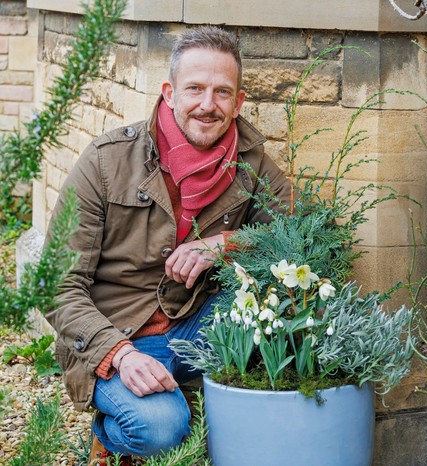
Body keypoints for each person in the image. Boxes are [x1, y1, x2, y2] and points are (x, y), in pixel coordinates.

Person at [45, 26, 290, 465]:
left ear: (239, 101)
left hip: (198, 323)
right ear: (170, 92)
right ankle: (114, 434)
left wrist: (228, 244)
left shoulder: (256, 170)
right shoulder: (105, 162)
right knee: (159, 429)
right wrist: (118, 356)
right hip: (118, 332)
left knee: (290, 338)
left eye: (222, 92)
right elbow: (57, 286)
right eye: (194, 88)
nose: (207, 105)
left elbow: (294, 246)